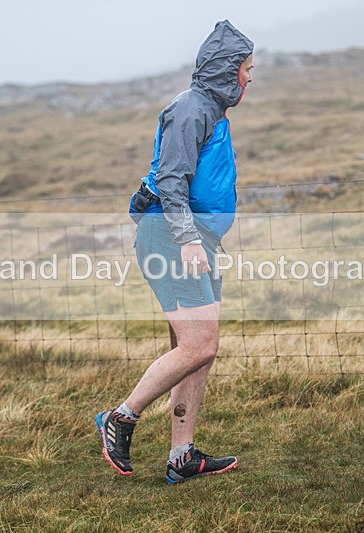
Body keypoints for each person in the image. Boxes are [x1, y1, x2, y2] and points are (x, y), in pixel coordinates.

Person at [95, 20, 254, 484]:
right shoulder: (190, 109)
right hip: (171, 236)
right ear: (227, 68)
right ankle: (120, 418)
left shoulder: (211, 111)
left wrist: (201, 239)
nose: (250, 77)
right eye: (246, 68)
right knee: (200, 344)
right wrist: (187, 240)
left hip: (196, 239)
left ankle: (181, 456)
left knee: (198, 350)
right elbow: (170, 181)